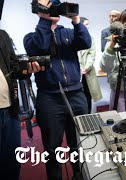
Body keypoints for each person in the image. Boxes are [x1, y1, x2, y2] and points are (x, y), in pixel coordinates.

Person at [23, 0, 92, 179]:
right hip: (49, 99)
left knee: (80, 142)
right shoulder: (30, 38)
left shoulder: (69, 33)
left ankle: (80, 175)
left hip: (76, 94)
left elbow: (85, 42)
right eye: (47, 4)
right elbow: (40, 46)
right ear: (37, 10)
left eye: (55, 4)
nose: (53, 7)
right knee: (52, 149)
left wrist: (75, 19)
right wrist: (44, 20)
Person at [0, 29, 42, 180]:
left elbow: (14, 67)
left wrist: (26, 69)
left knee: (12, 160)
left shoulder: (2, 35)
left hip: (9, 108)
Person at [78, 17, 102, 113]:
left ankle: (88, 116)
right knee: (77, 98)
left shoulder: (90, 38)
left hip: (87, 72)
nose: (88, 26)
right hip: (76, 73)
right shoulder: (72, 36)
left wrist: (86, 67)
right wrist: (79, 68)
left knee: (88, 96)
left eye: (88, 24)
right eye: (86, 24)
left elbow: (92, 54)